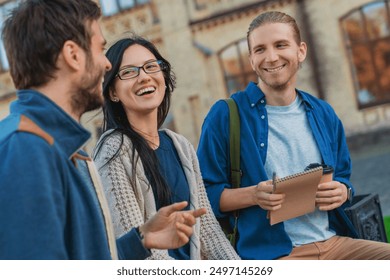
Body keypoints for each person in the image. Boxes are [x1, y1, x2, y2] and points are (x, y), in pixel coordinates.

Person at [0, 0, 205, 260]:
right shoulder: (24, 151)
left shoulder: (67, 152)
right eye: (100, 49)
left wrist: (140, 240)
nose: (108, 65)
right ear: (73, 55)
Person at [197, 11, 390, 260]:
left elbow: (343, 176)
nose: (271, 57)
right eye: (260, 50)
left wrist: (343, 190)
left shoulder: (323, 112)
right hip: (276, 256)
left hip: (336, 243)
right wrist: (253, 195)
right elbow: (203, 197)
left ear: (301, 51)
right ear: (251, 60)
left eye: (280, 45)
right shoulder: (225, 115)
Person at [93, 35, 240, 260]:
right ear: (113, 92)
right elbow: (137, 249)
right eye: (129, 72)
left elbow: (209, 232)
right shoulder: (113, 149)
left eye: (151, 67)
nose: (144, 77)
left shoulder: (181, 146)